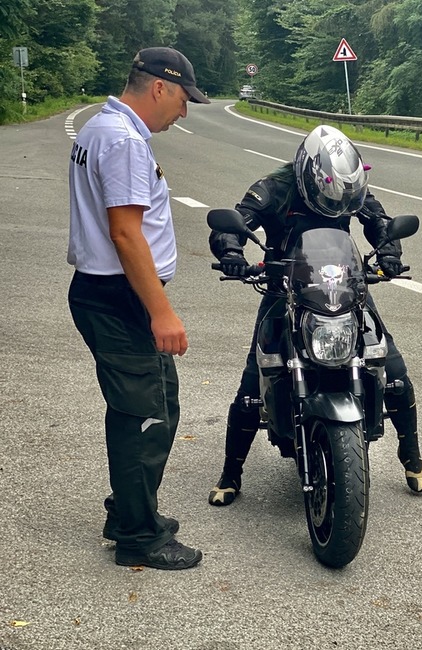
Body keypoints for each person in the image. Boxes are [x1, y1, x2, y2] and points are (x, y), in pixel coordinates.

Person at [207, 125, 422, 506]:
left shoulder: (346, 187)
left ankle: (413, 460)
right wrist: (231, 253)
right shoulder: (274, 186)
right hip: (284, 286)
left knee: (393, 369)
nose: (341, 207)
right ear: (309, 175)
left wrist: (389, 251)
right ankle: (231, 473)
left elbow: (377, 220)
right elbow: (240, 220)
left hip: (342, 285)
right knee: (252, 382)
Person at [67, 47, 209, 570]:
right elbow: (126, 233)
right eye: (183, 99)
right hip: (120, 297)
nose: (185, 111)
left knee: (158, 404)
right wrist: (161, 311)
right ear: (159, 88)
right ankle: (138, 536)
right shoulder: (124, 141)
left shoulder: (100, 127)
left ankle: (128, 508)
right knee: (142, 415)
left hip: (107, 292)